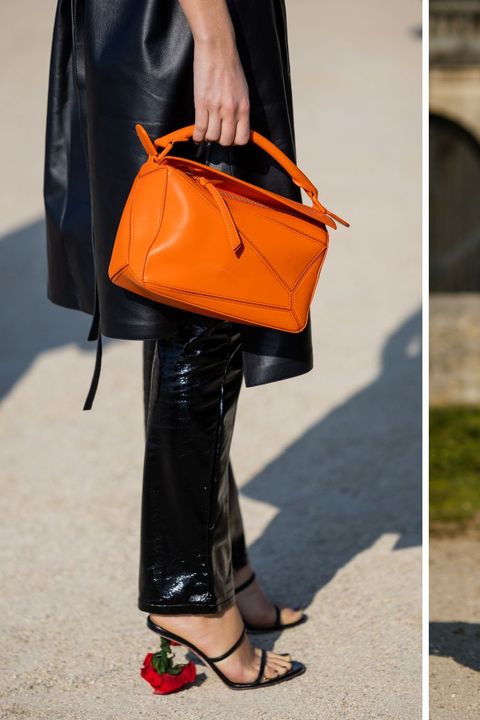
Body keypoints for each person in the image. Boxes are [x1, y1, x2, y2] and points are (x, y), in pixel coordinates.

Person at [44, 0, 312, 689]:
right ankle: (188, 592)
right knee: (207, 299)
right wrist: (214, 40)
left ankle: (224, 562)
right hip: (177, 28)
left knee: (191, 294)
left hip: (173, 24)